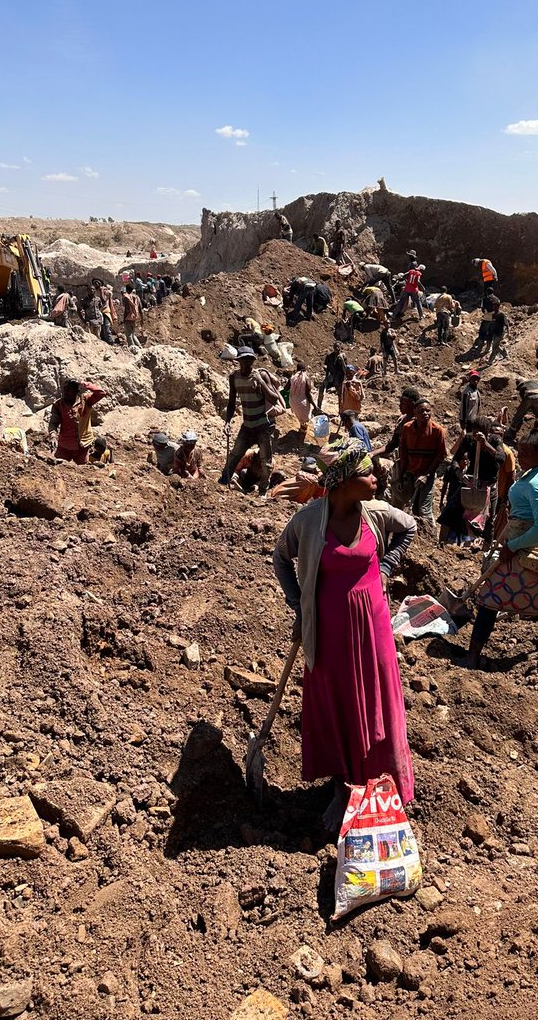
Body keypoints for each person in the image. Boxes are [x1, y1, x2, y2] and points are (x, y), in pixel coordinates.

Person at [273, 439, 417, 829]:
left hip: (373, 629)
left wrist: (385, 568)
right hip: (328, 633)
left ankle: (381, 783)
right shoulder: (308, 521)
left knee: (377, 701)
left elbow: (411, 528)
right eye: (366, 473)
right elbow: (281, 557)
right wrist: (297, 601)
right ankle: (344, 787)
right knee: (338, 704)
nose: (375, 478)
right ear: (342, 482)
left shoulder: (376, 515)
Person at [465, 430, 538, 664]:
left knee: (490, 599)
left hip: (524, 543)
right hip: (537, 543)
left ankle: (472, 657)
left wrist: (514, 546)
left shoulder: (537, 484)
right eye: (519, 452)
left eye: (525, 453)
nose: (520, 457)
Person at [221, 348, 282, 493]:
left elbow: (274, 399)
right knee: (235, 454)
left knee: (266, 462)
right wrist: (227, 422)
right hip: (247, 426)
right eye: (244, 360)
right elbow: (231, 402)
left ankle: (262, 490)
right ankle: (224, 481)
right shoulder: (234, 377)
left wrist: (261, 382)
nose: (247, 363)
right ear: (239, 361)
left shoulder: (259, 376)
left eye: (250, 360)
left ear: (253, 361)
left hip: (263, 426)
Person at [398, 398, 448, 530]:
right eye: (421, 411)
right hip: (410, 473)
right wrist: (400, 475)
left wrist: (426, 475)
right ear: (415, 412)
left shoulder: (437, 431)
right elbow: (403, 454)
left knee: (424, 510)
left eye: (428, 411)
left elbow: (440, 456)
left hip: (428, 474)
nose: (425, 413)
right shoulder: (407, 428)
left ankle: (430, 537)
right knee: (409, 506)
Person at [48, 379, 105, 465]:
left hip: (83, 445)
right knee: (59, 468)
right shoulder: (59, 405)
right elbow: (53, 423)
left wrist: (85, 384)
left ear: (76, 391)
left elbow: (101, 393)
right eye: (65, 390)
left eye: (69, 390)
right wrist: (53, 435)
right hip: (65, 445)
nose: (65, 393)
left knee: (83, 470)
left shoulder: (86, 400)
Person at [316, 343, 347, 411]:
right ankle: (318, 408)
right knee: (321, 389)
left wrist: (342, 360)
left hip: (340, 378)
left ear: (340, 348)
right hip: (332, 376)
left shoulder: (343, 356)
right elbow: (327, 368)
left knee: (340, 395)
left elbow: (345, 370)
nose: (337, 349)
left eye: (338, 347)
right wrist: (326, 378)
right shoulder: (330, 356)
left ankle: (340, 411)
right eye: (335, 347)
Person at [289, 361, 316, 439]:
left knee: (300, 417)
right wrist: (314, 406)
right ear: (305, 369)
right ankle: (301, 438)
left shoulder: (293, 378)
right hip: (302, 403)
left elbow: (286, 388)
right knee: (305, 420)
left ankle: (301, 430)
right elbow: (308, 394)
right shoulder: (306, 379)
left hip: (293, 402)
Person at [478, 295, 506, 364]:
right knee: (496, 346)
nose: (493, 307)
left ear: (498, 307)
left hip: (499, 333)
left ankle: (490, 361)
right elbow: (493, 322)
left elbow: (506, 324)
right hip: (494, 332)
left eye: (495, 306)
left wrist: (505, 333)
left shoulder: (501, 314)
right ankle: (504, 353)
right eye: (493, 306)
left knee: (494, 348)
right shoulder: (493, 314)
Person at [459, 370, 482, 435]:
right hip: (469, 420)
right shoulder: (466, 392)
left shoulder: (476, 390)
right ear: (469, 380)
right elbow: (463, 407)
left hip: (476, 419)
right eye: (473, 379)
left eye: (477, 379)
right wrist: (462, 421)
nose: (475, 381)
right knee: (469, 436)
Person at [122, 285, 143, 349]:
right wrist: (142, 318)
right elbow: (140, 308)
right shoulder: (136, 297)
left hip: (128, 317)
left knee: (128, 335)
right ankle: (139, 347)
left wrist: (124, 319)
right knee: (132, 334)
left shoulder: (127, 297)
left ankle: (133, 348)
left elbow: (127, 309)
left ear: (127, 290)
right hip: (134, 317)